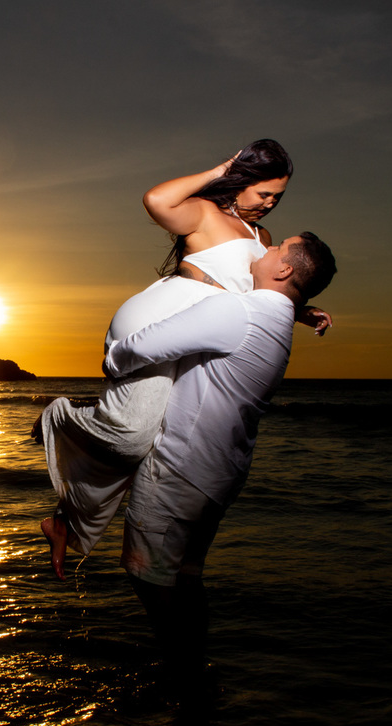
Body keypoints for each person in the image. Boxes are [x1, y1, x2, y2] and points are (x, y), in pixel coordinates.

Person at [39, 140, 329, 579]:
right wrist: (223, 168)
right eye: (263, 193)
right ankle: (59, 420)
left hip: (195, 334)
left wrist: (300, 311)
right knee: (133, 434)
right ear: (241, 181)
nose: (270, 204)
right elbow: (156, 200)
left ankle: (65, 521)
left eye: (278, 197)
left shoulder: (264, 240)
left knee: (147, 438)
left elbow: (254, 291)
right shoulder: (205, 214)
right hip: (157, 320)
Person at [103, 232, 337, 687]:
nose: (263, 249)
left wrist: (113, 360)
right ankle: (196, 665)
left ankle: (181, 673)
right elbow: (259, 300)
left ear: (284, 270)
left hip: (179, 470)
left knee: (147, 574)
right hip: (222, 475)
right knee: (188, 575)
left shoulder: (237, 312)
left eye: (276, 248)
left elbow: (143, 346)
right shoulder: (277, 320)